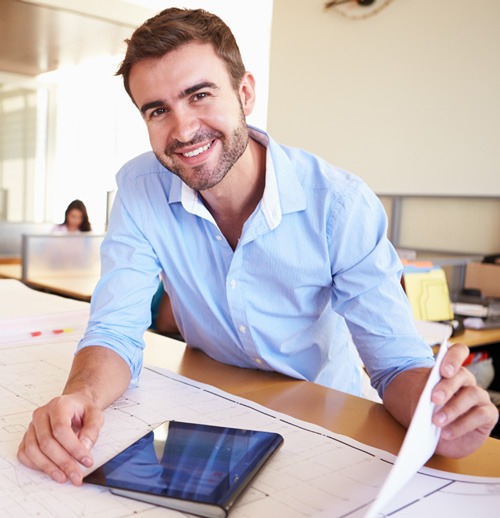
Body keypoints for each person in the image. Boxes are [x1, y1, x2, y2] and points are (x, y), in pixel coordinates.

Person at [18, 8, 498, 487]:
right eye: (157, 110)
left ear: (244, 92)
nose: (182, 130)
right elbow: (116, 329)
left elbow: (395, 365)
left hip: (327, 417)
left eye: (200, 95)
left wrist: (443, 414)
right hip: (211, 405)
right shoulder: (140, 191)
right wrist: (82, 395)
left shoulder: (338, 204)